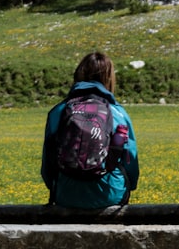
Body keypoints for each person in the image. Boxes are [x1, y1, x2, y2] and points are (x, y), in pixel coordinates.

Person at [42, 52, 139, 207]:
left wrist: (56, 186)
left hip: (66, 194)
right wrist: (129, 186)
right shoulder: (118, 113)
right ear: (109, 78)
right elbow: (130, 160)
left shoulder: (59, 111)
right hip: (110, 194)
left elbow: (48, 161)